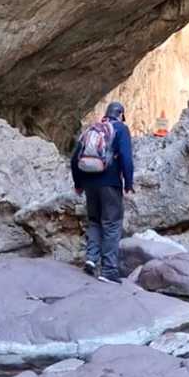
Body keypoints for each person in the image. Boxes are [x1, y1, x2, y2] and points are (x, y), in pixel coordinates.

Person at [71, 101, 134, 282]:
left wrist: (78, 183)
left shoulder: (92, 129)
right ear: (121, 114)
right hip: (110, 183)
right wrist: (128, 183)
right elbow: (126, 158)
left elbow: (75, 158)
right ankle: (108, 270)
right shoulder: (121, 129)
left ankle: (91, 260)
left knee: (94, 221)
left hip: (89, 182)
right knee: (112, 224)